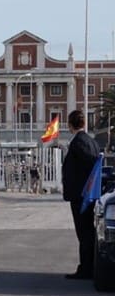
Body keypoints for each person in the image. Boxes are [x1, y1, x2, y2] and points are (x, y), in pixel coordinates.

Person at [61, 109, 101, 280]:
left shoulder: (79, 143)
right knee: (87, 232)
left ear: (70, 125)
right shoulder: (91, 141)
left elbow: (88, 165)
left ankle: (86, 268)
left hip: (81, 195)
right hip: (86, 193)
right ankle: (88, 266)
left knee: (84, 232)